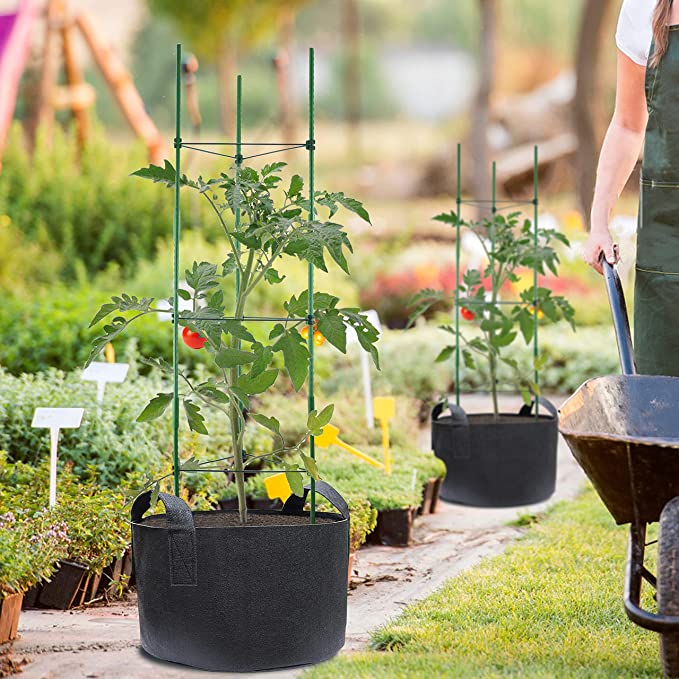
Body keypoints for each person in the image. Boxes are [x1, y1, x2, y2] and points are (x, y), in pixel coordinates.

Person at [585, 0, 679, 376]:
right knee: (663, 400)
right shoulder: (642, 6)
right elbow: (627, 124)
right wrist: (598, 223)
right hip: (665, 242)